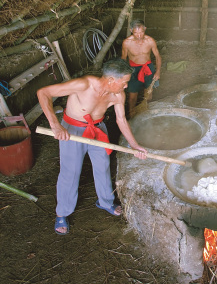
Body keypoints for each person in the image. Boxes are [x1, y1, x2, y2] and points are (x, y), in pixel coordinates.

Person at [37, 58, 149, 235]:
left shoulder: (117, 95)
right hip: (72, 131)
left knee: (103, 165)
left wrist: (134, 145)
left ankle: (105, 201)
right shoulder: (83, 85)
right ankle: (62, 213)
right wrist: (55, 125)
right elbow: (43, 93)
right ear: (112, 80)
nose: (126, 86)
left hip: (97, 130)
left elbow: (121, 120)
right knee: (70, 172)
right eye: (125, 82)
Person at [121, 20, 162, 118]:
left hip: (147, 67)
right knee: (132, 96)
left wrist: (158, 71)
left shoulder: (150, 41)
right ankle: (131, 115)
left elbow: (157, 56)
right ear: (131, 30)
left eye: (141, 32)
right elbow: (123, 59)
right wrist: (123, 74)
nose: (139, 35)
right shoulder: (127, 43)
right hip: (133, 69)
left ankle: (146, 112)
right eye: (136, 33)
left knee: (148, 93)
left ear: (145, 29)